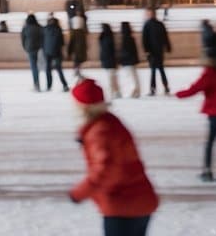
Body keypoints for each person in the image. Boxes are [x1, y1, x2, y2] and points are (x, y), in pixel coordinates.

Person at [68, 79, 159, 236]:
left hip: (123, 205)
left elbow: (105, 169)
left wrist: (78, 193)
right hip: (139, 199)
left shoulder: (100, 131)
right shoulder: (108, 122)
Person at [177, 27, 216, 182]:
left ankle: (207, 170)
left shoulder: (211, 72)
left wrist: (180, 94)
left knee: (211, 141)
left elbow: (197, 87)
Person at [142, 9, 171, 96]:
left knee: (156, 70)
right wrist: (167, 47)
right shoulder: (159, 24)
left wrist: (146, 50)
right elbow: (145, 39)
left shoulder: (148, 25)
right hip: (156, 51)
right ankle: (164, 87)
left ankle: (154, 89)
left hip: (154, 52)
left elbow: (145, 39)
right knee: (158, 70)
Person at [43, 14, 70, 92]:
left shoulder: (45, 29)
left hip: (47, 52)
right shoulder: (58, 29)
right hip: (57, 52)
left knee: (48, 70)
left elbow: (43, 41)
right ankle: (65, 85)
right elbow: (62, 42)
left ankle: (49, 86)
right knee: (59, 69)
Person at [117, 22, 142, 99]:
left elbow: (125, 51)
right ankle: (136, 91)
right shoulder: (131, 38)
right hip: (131, 61)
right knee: (134, 77)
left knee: (131, 78)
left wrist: (121, 60)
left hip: (127, 61)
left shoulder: (125, 38)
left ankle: (135, 92)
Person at [98, 23, 120, 99]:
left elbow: (110, 51)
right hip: (108, 61)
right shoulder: (107, 38)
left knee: (111, 78)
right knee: (112, 78)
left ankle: (113, 93)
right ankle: (116, 92)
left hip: (109, 61)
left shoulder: (107, 38)